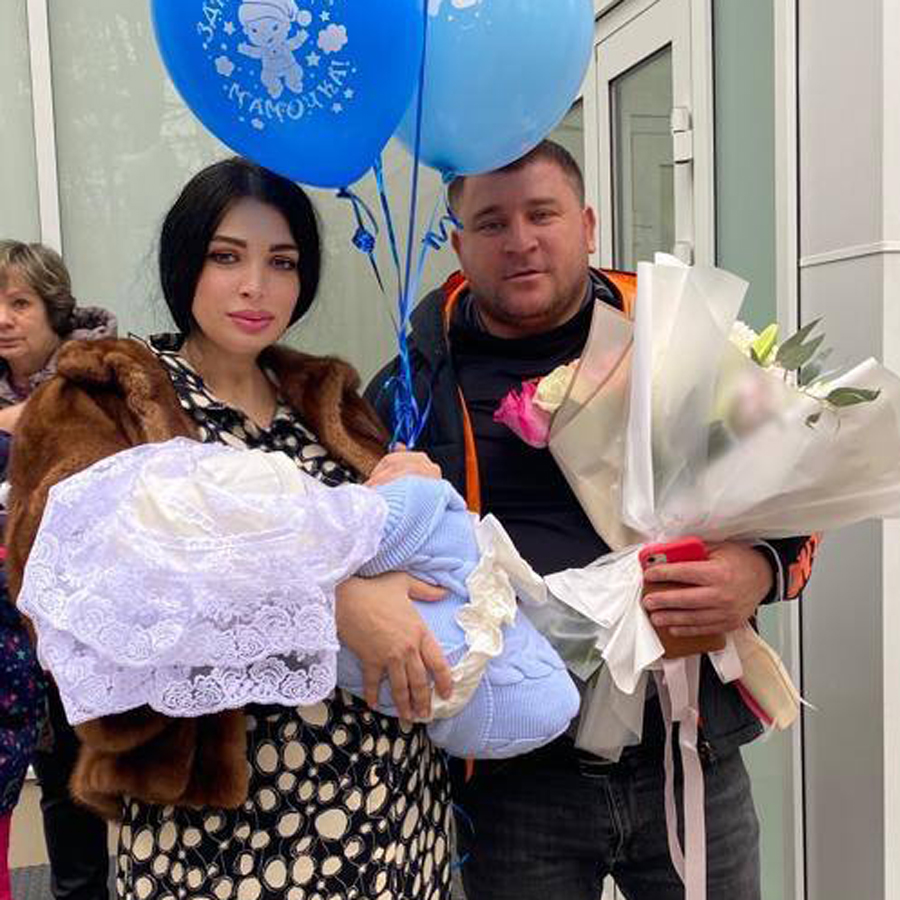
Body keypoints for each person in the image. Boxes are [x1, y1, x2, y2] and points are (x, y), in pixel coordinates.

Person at [365, 139, 818, 900]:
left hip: (686, 753)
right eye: (491, 223)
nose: (520, 241)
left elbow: (795, 499)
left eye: (542, 214)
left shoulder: (676, 343)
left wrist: (758, 571)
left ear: (587, 224)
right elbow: (365, 554)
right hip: (511, 781)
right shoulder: (410, 388)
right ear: (459, 244)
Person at [4, 158, 458, 900]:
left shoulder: (328, 399)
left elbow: (390, 544)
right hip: (220, 831)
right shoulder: (107, 397)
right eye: (226, 257)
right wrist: (332, 605)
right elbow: (68, 587)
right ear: (185, 261)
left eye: (282, 262)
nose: (255, 286)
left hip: (387, 802)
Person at [0, 240, 115, 900]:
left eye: (20, 302)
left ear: (54, 309)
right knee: (61, 787)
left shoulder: (98, 378)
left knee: (117, 772)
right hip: (19, 639)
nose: (3, 318)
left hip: (95, 619)